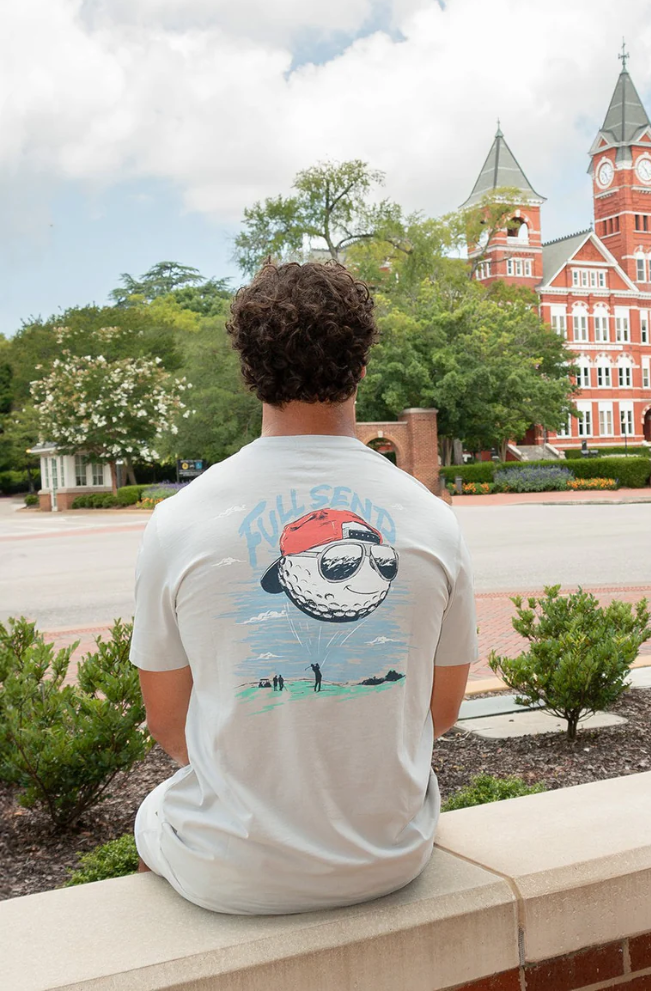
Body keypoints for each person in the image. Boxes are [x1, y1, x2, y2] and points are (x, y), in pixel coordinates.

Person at [130, 260, 475, 915]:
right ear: (362, 364)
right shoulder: (431, 518)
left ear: (248, 370)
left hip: (227, 877)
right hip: (392, 858)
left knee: (153, 816)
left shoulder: (179, 521)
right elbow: (442, 711)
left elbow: (169, 724)